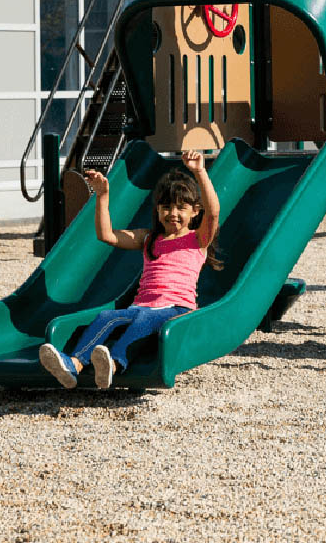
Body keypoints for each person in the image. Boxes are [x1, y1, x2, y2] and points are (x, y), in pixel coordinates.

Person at [39, 151, 221, 390]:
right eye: (166, 207)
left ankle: (113, 365)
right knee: (106, 317)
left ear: (194, 211)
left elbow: (214, 211)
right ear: (157, 210)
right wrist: (102, 196)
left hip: (177, 309)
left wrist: (199, 171)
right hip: (140, 307)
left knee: (145, 318)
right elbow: (107, 235)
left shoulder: (197, 240)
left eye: (181, 208)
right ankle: (74, 364)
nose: (173, 213)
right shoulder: (149, 238)